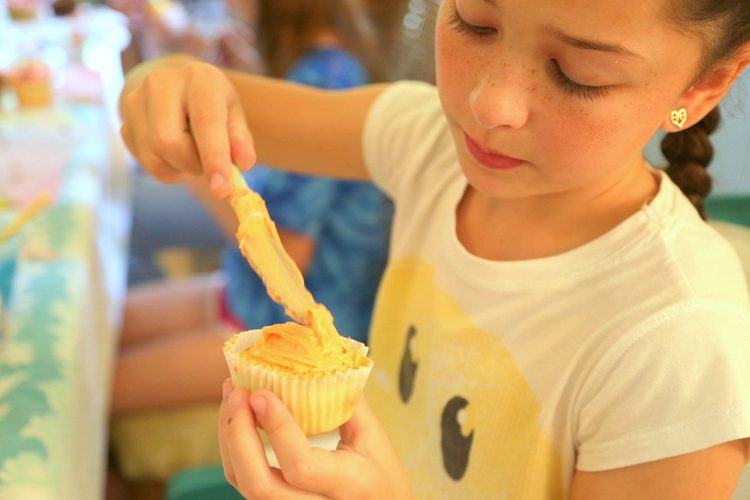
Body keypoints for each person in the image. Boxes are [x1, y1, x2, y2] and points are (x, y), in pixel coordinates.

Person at [118, 0, 750, 497]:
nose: (489, 103)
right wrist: (162, 86)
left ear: (703, 87)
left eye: (579, 75)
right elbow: (188, 91)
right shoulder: (426, 145)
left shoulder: (682, 346)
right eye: (474, 22)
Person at [111, 0, 392, 414]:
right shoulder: (314, 64)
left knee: (93, 387)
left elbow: (288, 255)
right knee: (94, 334)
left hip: (295, 330)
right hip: (245, 293)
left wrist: (197, 160)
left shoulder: (329, 80)